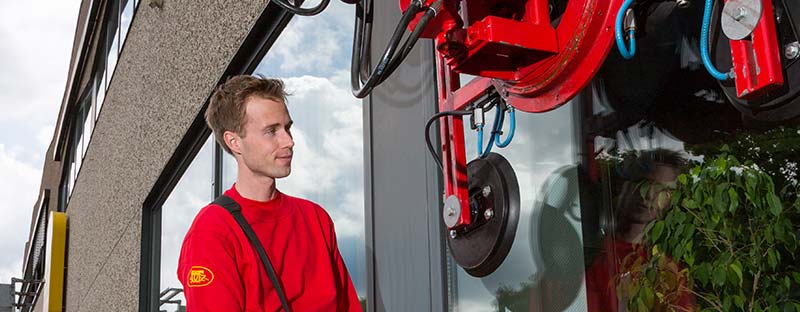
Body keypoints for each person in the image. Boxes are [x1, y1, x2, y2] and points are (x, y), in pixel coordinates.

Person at [177, 75, 361, 311]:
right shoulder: (212, 231)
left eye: (287, 128)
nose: (289, 141)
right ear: (234, 142)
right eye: (271, 131)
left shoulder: (315, 218)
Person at [586, 149, 694, 312]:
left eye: (663, 190)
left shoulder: (668, 271)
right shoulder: (593, 254)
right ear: (626, 186)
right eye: (646, 183)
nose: (651, 195)